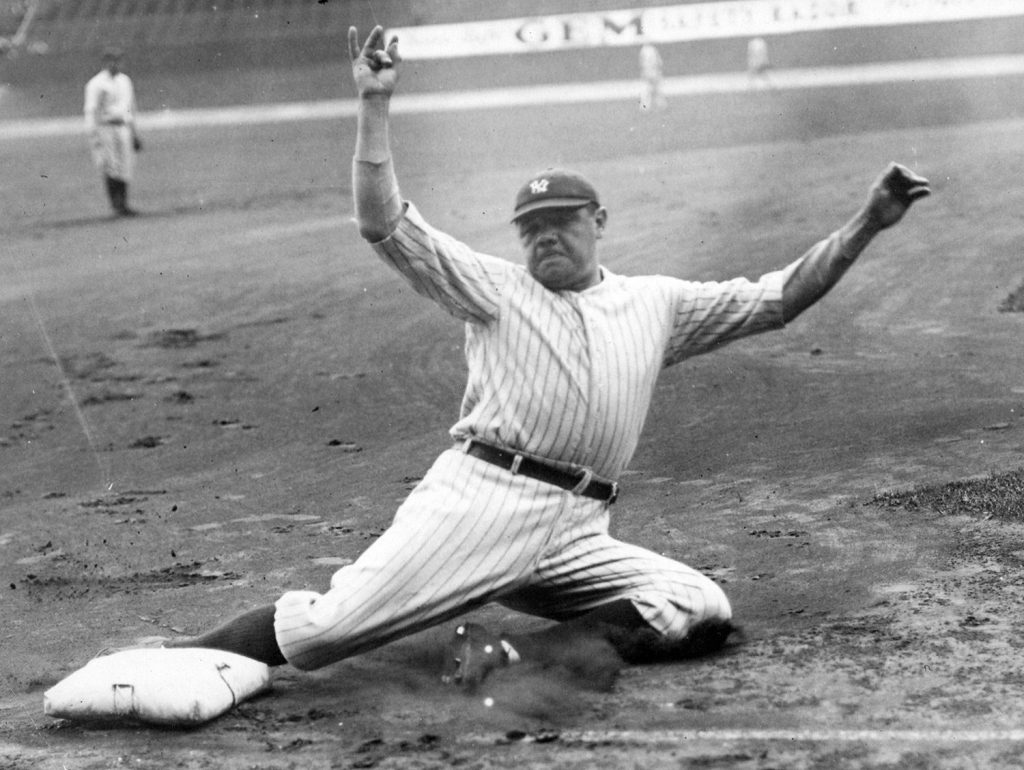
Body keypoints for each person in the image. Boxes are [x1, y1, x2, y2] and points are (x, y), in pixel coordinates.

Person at [158, 26, 930, 693]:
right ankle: (173, 657)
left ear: (599, 221)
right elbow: (382, 223)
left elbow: (777, 298)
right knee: (328, 629)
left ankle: (520, 658)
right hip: (483, 505)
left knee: (696, 603)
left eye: (562, 221)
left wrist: (868, 222)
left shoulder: (656, 304)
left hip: (578, 531)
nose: (545, 236)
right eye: (531, 227)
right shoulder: (494, 288)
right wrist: (374, 104)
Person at [84, 46, 142, 217]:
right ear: (105, 63)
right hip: (105, 127)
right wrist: (94, 134)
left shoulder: (125, 81)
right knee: (111, 166)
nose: (116, 64)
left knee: (125, 165)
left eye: (118, 61)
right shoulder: (96, 84)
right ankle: (116, 204)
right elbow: (92, 110)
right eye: (112, 61)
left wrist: (135, 133)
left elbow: (131, 108)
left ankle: (123, 203)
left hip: (123, 126)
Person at [638, 42, 666, 111]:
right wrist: (659, 70)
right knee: (656, 89)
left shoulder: (643, 50)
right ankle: (661, 104)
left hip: (646, 71)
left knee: (646, 89)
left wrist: (643, 71)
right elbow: (659, 61)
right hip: (654, 71)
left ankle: (644, 106)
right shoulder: (653, 49)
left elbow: (641, 62)